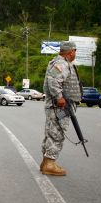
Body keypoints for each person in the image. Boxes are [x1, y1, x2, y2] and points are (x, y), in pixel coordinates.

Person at [40, 41, 82, 176]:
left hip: (59, 106)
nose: (75, 53)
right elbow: (53, 81)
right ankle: (49, 164)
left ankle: (46, 162)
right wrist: (59, 97)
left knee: (51, 133)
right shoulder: (62, 64)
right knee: (57, 133)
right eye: (75, 51)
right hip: (59, 106)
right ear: (71, 52)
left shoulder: (61, 63)